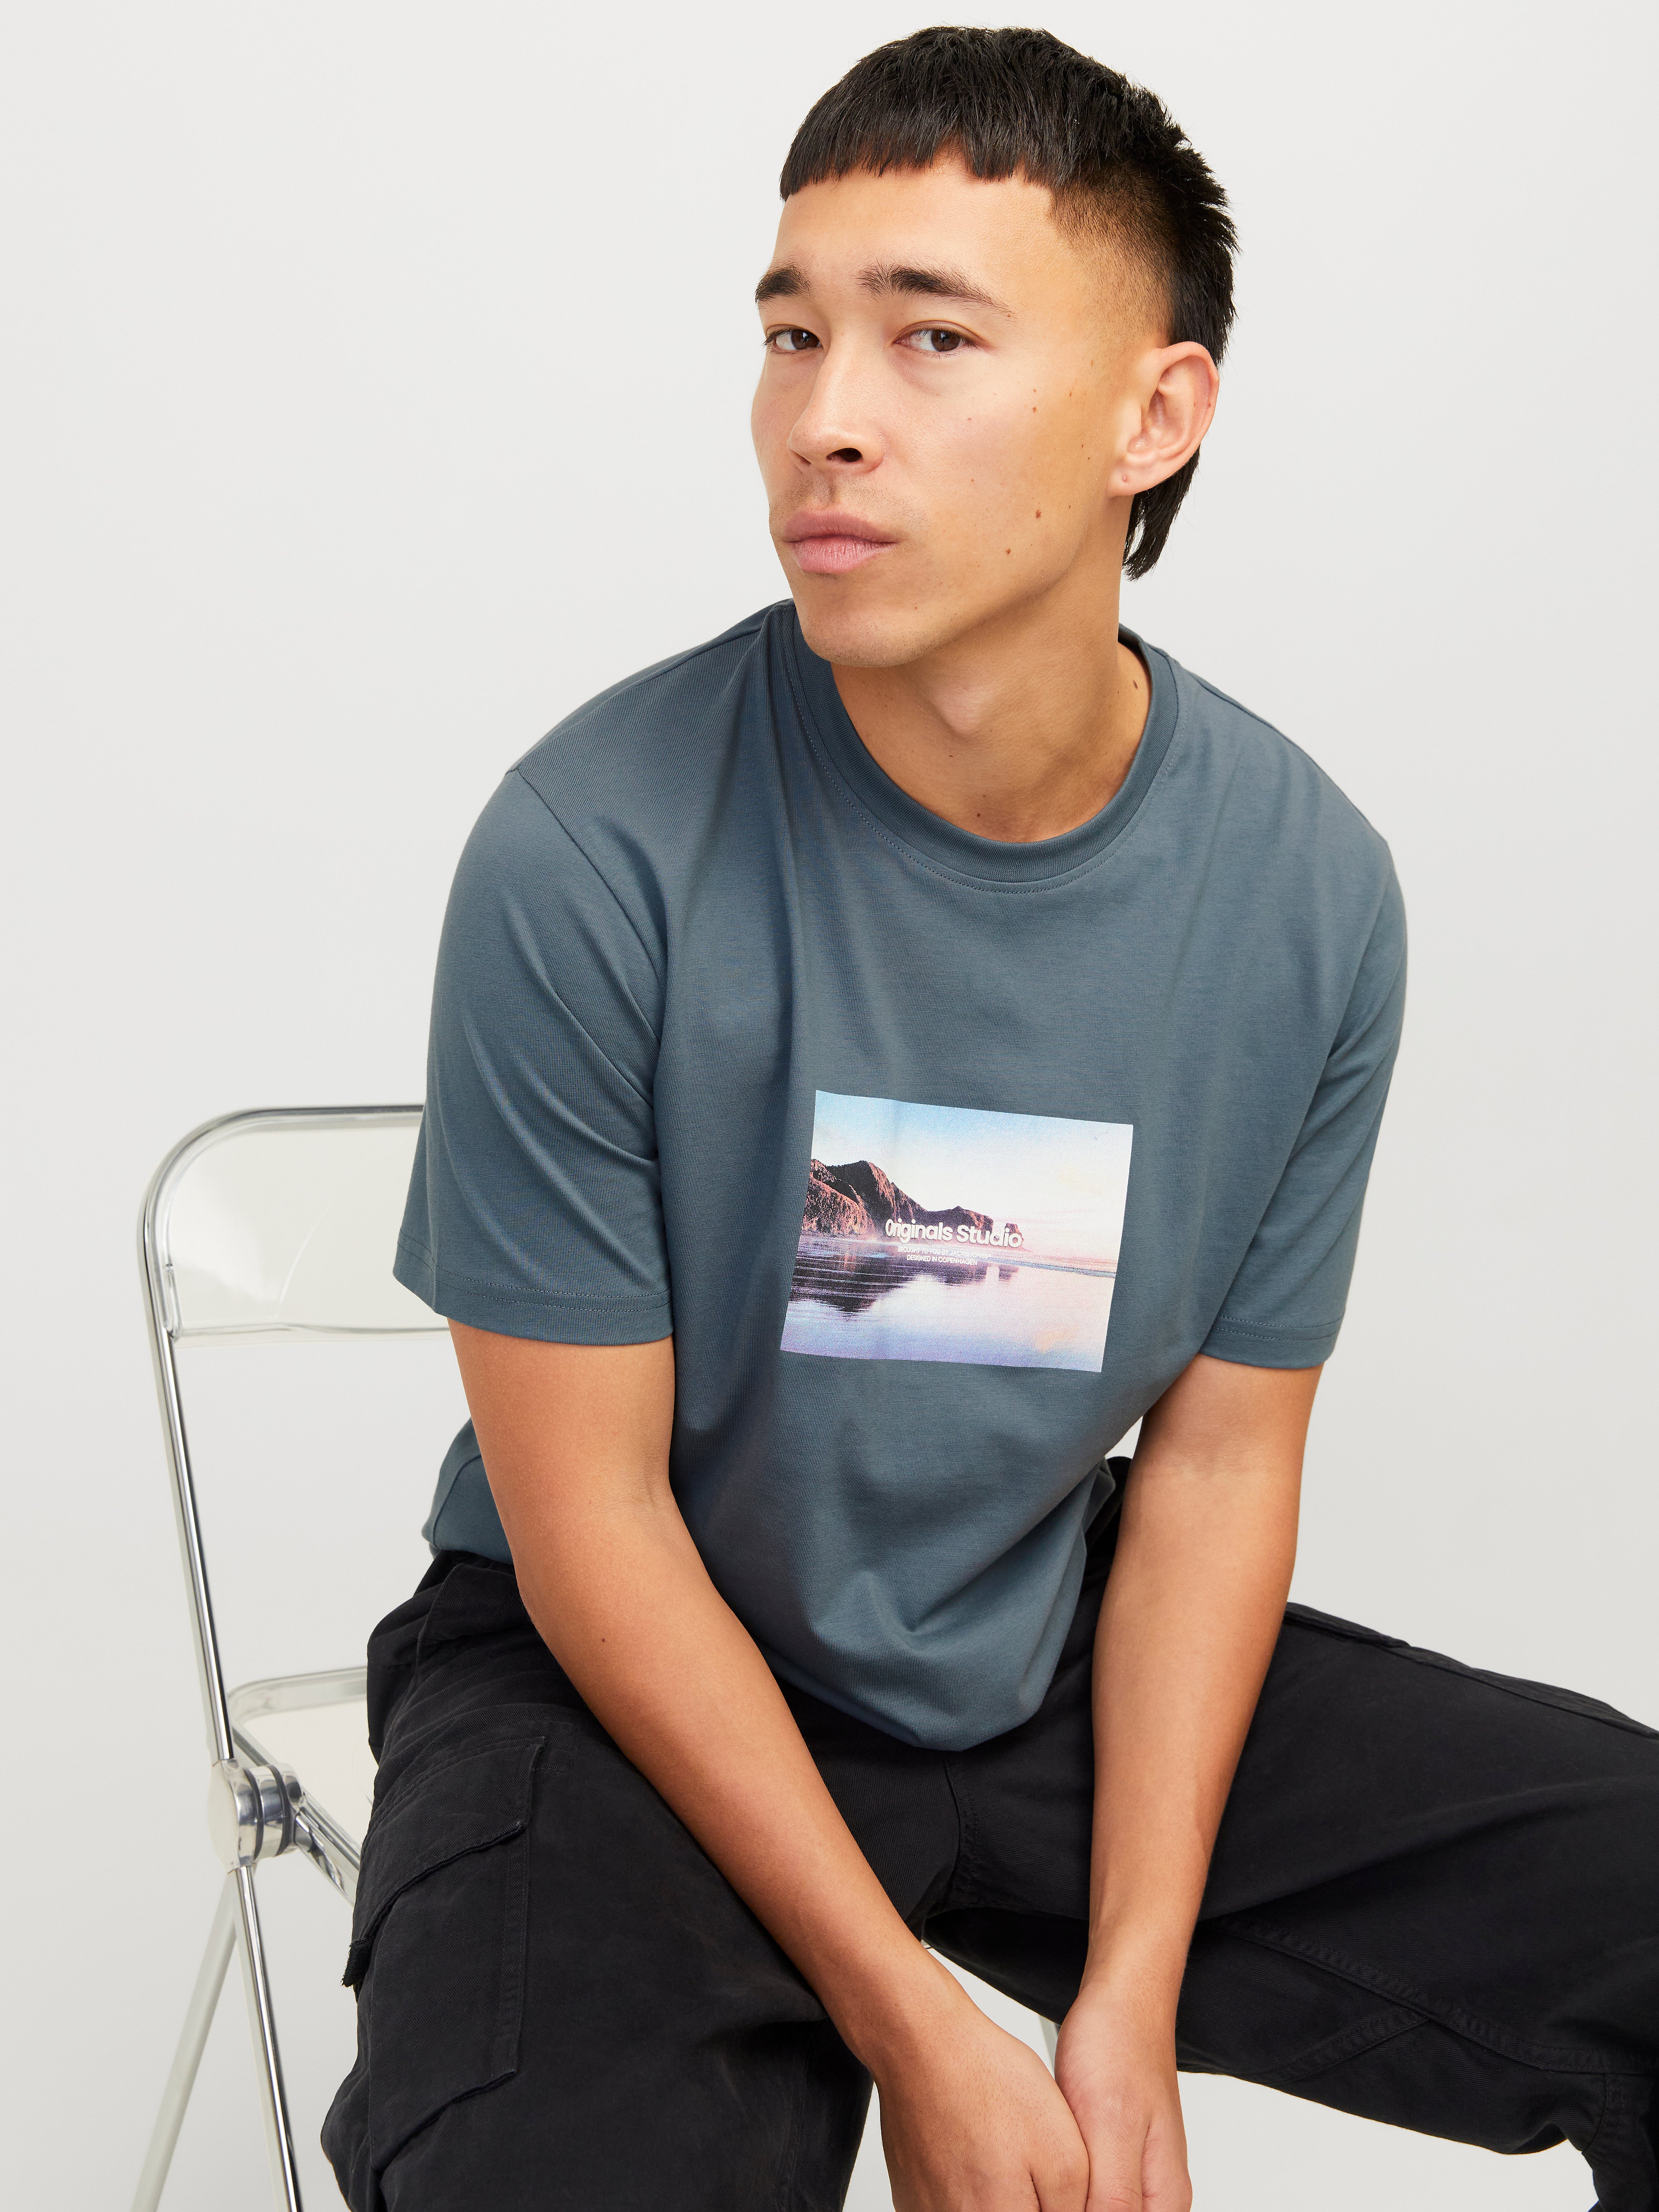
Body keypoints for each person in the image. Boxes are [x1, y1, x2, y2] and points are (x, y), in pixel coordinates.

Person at [322, 26, 1657, 2212]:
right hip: (614, 1676)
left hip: (1030, 1647)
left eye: (929, 335)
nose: (823, 417)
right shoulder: (590, 849)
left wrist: (1125, 1995)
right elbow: (591, 1527)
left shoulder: (1304, 895)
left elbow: (1214, 1468)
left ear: (1156, 414)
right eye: (792, 333)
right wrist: (914, 2023)